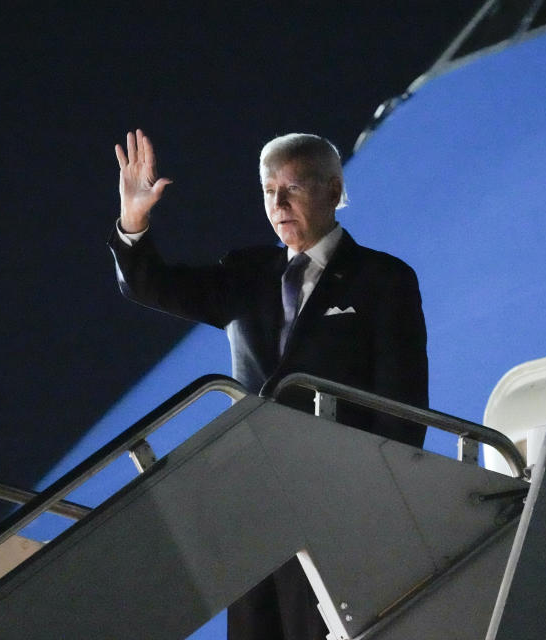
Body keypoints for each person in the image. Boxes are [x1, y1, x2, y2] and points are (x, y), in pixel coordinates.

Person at [108, 129, 428, 640]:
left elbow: (403, 404)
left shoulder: (383, 280)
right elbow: (150, 285)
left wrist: (375, 496)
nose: (277, 203)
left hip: (336, 497)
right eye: (267, 191)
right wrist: (134, 219)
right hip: (253, 497)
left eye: (293, 188)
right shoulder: (247, 272)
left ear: (332, 189)